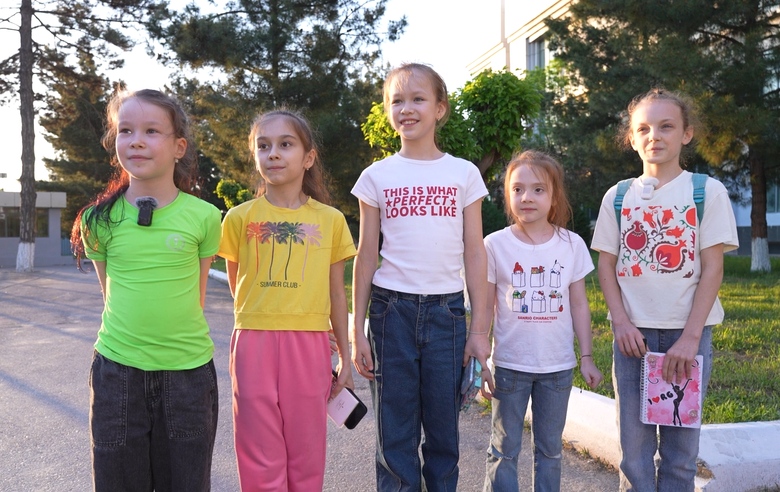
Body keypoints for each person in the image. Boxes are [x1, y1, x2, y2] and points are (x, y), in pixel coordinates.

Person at [350, 62, 491, 491]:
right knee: (395, 435)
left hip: (447, 314)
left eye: (418, 99)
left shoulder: (464, 173)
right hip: (390, 312)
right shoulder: (376, 176)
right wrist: (357, 331)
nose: (406, 109)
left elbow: (475, 252)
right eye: (397, 100)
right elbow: (365, 254)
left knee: (445, 436)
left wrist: (480, 329)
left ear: (439, 109)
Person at [72, 89, 222, 491]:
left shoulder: (206, 217)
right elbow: (110, 294)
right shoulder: (96, 220)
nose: (136, 140)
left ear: (178, 146)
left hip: (188, 377)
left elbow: (199, 295)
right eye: (126, 131)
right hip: (117, 375)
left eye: (151, 130)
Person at [591, 88, 739, 492]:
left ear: (686, 134)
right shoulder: (618, 196)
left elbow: (712, 268)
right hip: (632, 338)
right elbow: (606, 263)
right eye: (644, 128)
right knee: (633, 449)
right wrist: (620, 322)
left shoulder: (706, 192)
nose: (654, 135)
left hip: (685, 336)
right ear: (632, 139)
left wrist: (691, 338)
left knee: (679, 450)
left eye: (666, 126)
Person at [218, 109, 356, 491]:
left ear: (308, 157)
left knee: (306, 450)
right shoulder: (238, 218)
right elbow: (237, 280)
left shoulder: (330, 220)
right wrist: (263, 312)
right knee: (257, 448)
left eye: (285, 144)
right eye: (264, 146)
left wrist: (344, 354)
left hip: (309, 344)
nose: (273, 154)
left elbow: (336, 293)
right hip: (253, 341)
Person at [482, 151, 603, 492]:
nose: (526, 197)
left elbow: (579, 304)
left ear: (553, 197)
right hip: (509, 366)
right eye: (517, 189)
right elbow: (485, 307)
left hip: (557, 368)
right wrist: (481, 363)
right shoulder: (494, 245)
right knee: (504, 449)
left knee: (550, 451)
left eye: (538, 189)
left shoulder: (571, 245)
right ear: (507, 195)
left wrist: (587, 357)